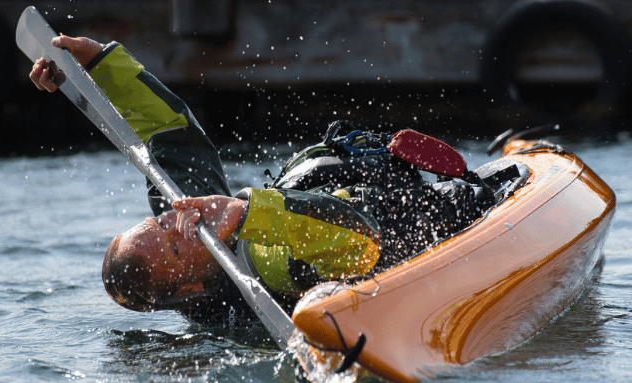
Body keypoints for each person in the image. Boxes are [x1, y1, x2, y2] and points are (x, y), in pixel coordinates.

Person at [31, 36, 490, 326]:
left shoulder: (184, 218)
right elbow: (362, 242)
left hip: (344, 194)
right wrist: (248, 213)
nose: (175, 223)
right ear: (190, 288)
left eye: (159, 226)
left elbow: (172, 133)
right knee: (436, 205)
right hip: (386, 232)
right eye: (173, 246)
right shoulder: (259, 266)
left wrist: (96, 67)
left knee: (314, 168)